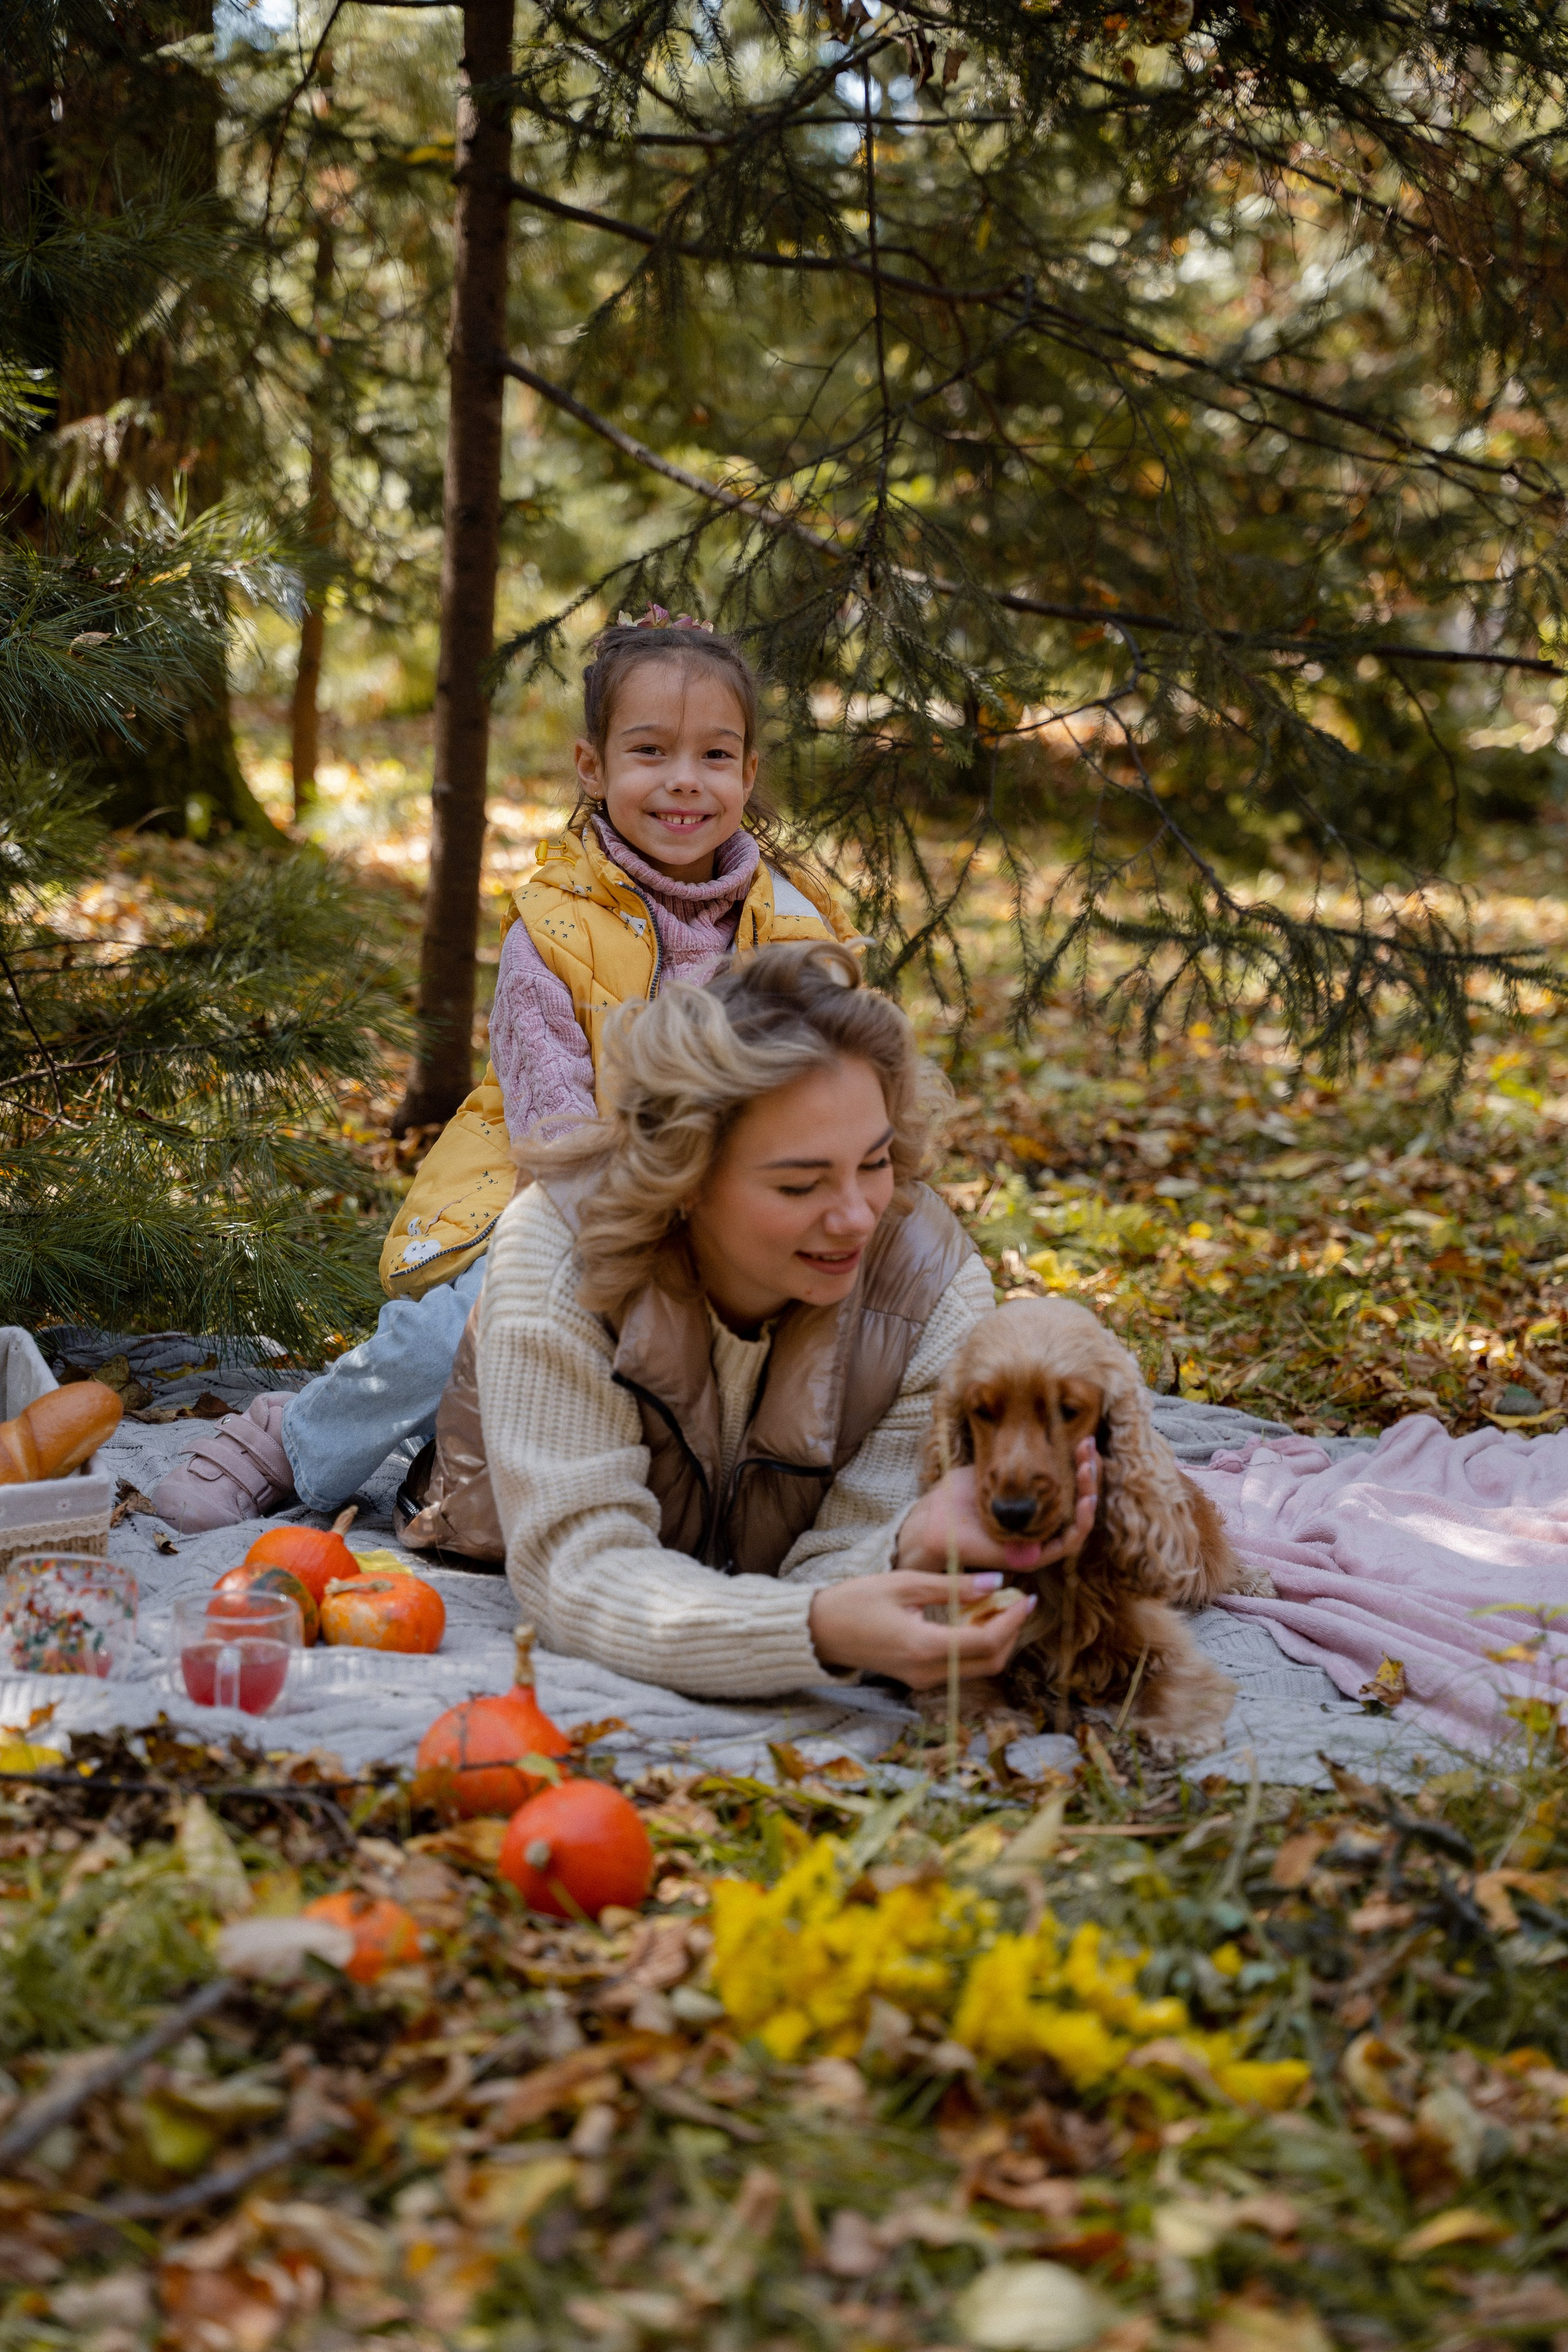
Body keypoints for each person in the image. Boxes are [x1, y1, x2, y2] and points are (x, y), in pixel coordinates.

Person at [151, 610, 857, 1534]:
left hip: (739, 1216)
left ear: (749, 775)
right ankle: (298, 1435)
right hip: (558, 1200)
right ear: (593, 768)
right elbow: (551, 1129)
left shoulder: (801, 933)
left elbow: (839, 1093)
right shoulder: (553, 930)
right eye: (650, 752)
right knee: (462, 1324)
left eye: (715, 757)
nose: (684, 780)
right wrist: (644, 1226)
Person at [474, 940, 1098, 1698]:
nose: (855, 1217)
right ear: (687, 1177)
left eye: (873, 1163)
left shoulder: (934, 1289)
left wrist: (909, 1542)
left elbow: (845, 1556)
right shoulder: (553, 1253)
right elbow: (578, 1573)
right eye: (800, 1185)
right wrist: (814, 1629)